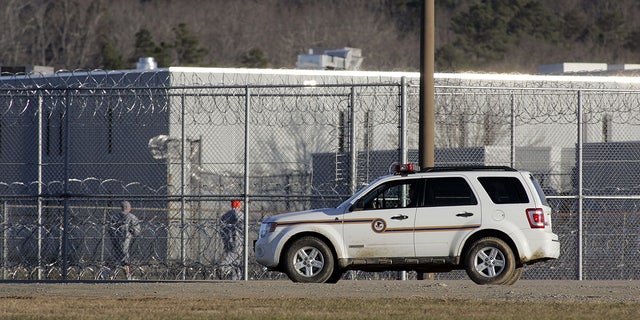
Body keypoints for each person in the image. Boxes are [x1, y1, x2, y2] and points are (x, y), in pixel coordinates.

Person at [109, 200, 141, 280]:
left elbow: (110, 229)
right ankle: (128, 276)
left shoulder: (115, 216)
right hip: (126, 240)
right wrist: (131, 231)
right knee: (125, 258)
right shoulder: (131, 217)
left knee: (117, 258)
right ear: (129, 208)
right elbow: (137, 231)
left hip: (115, 241)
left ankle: (111, 275)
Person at [219, 200, 244, 280]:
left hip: (227, 237)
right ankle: (222, 267)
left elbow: (221, 223)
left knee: (234, 257)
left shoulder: (226, 215)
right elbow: (241, 223)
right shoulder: (237, 213)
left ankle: (236, 276)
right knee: (235, 255)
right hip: (237, 238)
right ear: (238, 204)